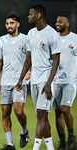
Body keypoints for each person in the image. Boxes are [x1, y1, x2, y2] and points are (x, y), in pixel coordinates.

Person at [16, 4, 61, 150]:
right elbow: (28, 59)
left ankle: (35, 148)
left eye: (30, 14)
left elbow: (56, 60)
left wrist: (49, 83)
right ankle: (50, 148)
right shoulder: (30, 33)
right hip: (34, 80)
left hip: (46, 80)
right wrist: (21, 78)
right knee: (43, 115)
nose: (28, 16)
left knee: (41, 115)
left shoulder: (52, 34)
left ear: (39, 15)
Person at [0, 13, 30, 150]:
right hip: (5, 82)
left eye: (12, 23)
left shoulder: (25, 39)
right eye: (7, 23)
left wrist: (30, 71)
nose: (9, 26)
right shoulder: (1, 40)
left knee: (18, 111)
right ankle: (10, 144)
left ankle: (24, 131)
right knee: (5, 113)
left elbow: (30, 57)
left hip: (20, 82)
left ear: (18, 24)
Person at [53, 14, 76, 150]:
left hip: (70, 81)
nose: (57, 23)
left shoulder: (75, 39)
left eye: (60, 22)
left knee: (65, 109)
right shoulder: (53, 39)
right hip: (55, 81)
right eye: (56, 21)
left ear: (67, 24)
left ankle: (71, 136)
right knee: (57, 113)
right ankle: (62, 142)